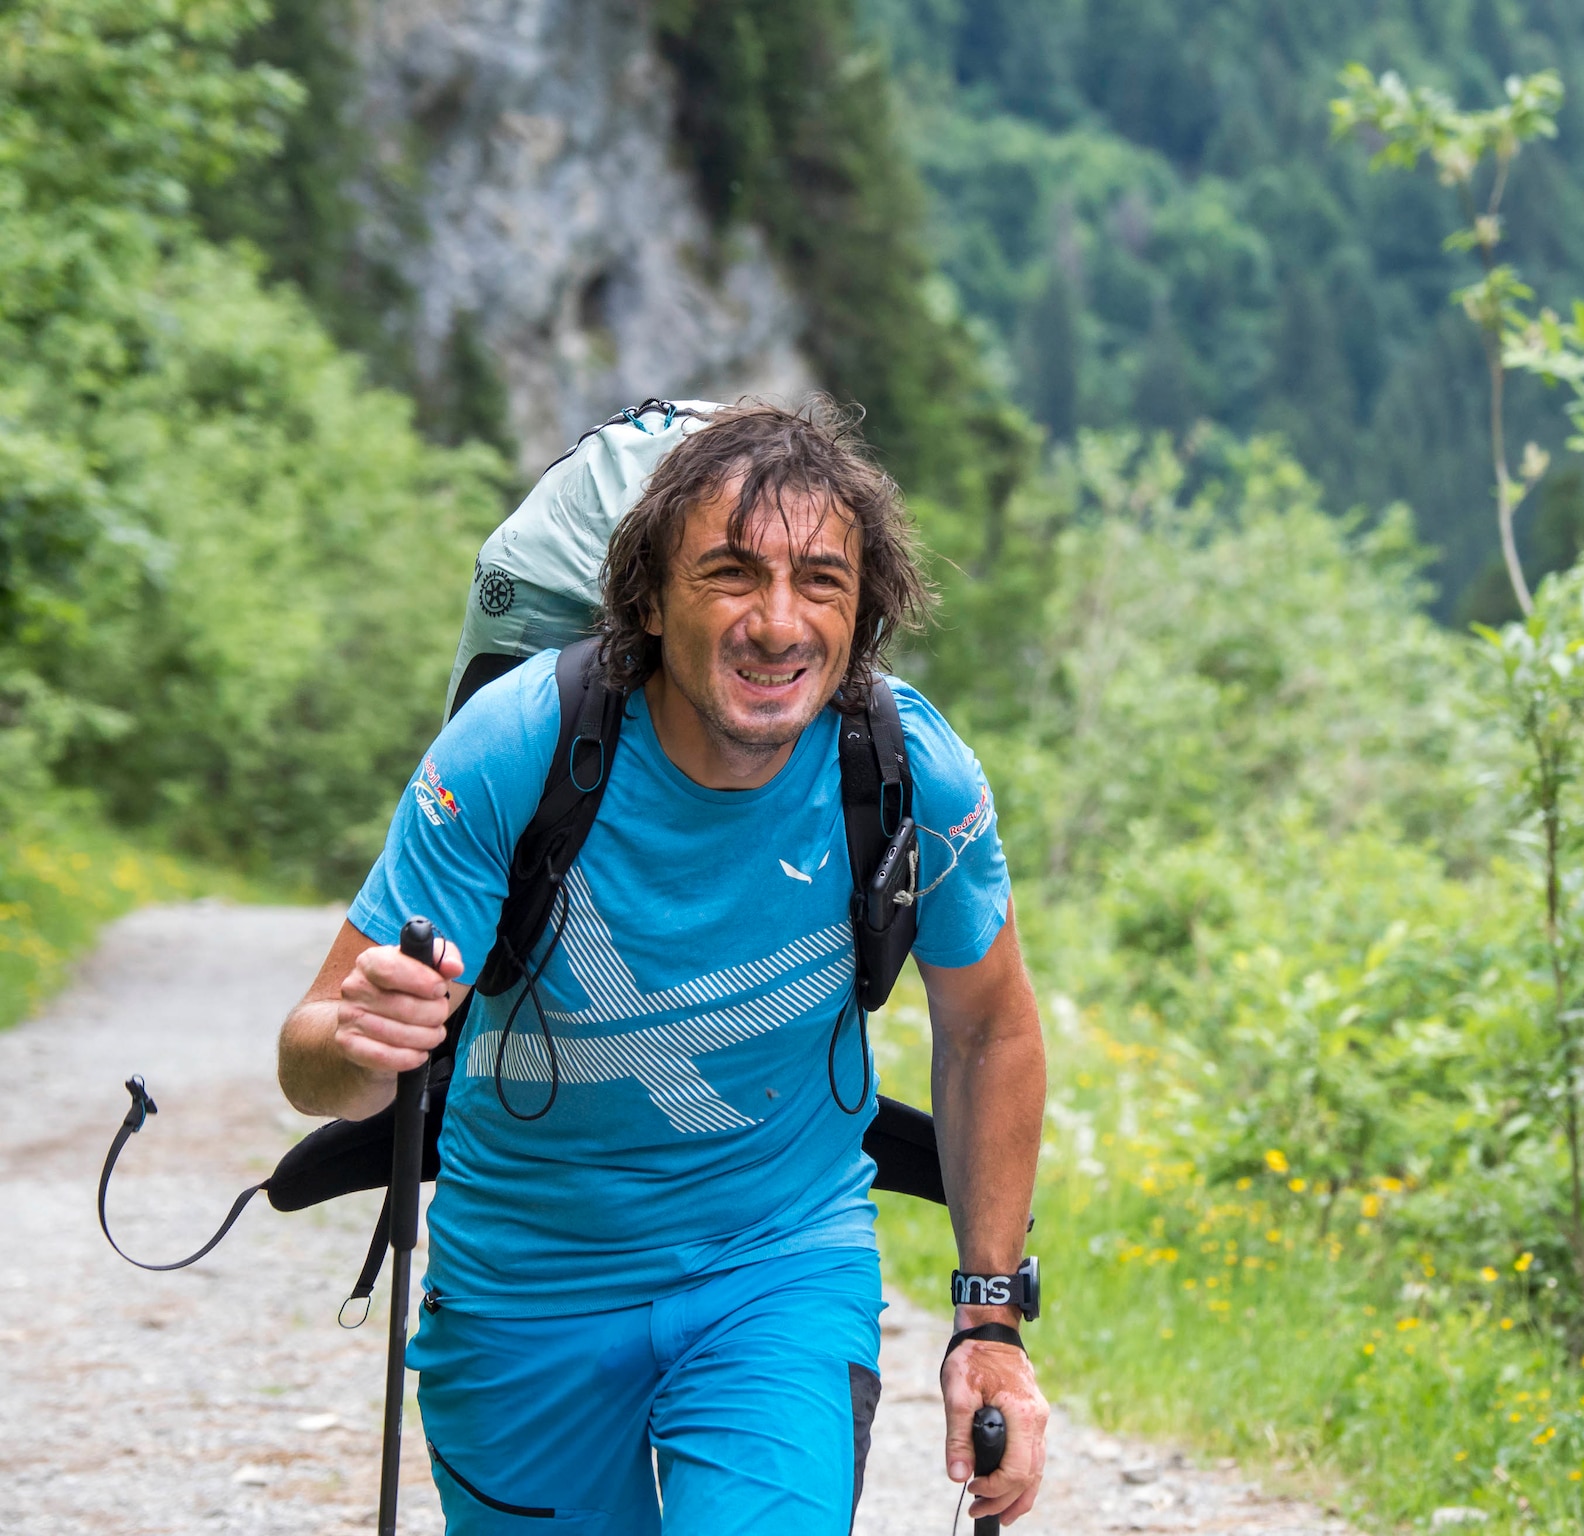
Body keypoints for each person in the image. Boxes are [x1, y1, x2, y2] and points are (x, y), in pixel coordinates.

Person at [277, 400, 1050, 1534]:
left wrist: (989, 1327)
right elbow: (310, 1060)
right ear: (647, 599)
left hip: (776, 1275)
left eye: (821, 582)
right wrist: (356, 1044)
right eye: (731, 575)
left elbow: (989, 1029)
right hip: (521, 1294)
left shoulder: (903, 772)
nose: (778, 623)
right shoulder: (512, 751)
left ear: (864, 611)